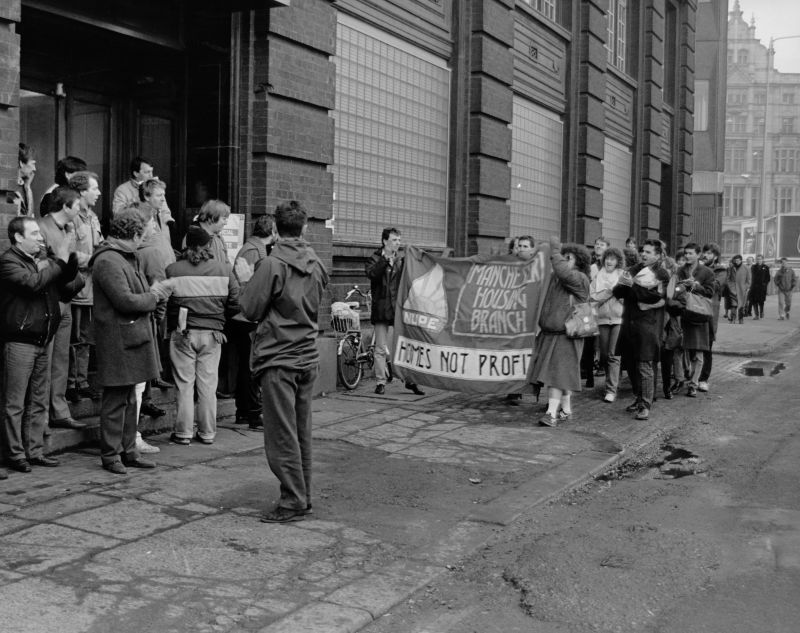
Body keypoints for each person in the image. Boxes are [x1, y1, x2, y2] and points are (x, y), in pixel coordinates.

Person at [238, 200, 329, 523]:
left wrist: (247, 279)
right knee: (301, 432)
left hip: (278, 357)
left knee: (281, 435)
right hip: (307, 354)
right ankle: (302, 496)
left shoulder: (271, 264)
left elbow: (249, 309)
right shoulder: (317, 263)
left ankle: (292, 501)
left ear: (276, 229)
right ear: (304, 228)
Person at [0, 217, 82, 472]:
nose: (40, 237)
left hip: (43, 338)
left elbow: (67, 286)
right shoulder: (8, 262)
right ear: (17, 238)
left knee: (38, 400)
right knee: (14, 403)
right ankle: (14, 454)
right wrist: (59, 261)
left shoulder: (43, 260)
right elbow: (32, 284)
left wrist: (70, 258)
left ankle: (34, 451)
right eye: (34, 233)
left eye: (39, 233)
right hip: (20, 341)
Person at [90, 209, 161, 475]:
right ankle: (111, 455)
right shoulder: (109, 260)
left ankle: (129, 451)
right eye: (141, 235)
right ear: (131, 234)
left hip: (131, 337)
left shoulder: (124, 257)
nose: (143, 240)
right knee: (116, 399)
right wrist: (154, 297)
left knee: (131, 399)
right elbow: (125, 300)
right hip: (118, 340)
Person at [164, 226, 239, 445]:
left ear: (187, 245)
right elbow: (236, 301)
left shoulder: (173, 270)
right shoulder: (224, 269)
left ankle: (183, 433)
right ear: (208, 245)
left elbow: (165, 302)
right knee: (208, 386)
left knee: (184, 385)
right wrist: (222, 322)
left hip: (183, 333)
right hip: (213, 334)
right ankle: (207, 433)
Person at [38, 187, 90, 429]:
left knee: (60, 359)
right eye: (77, 205)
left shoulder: (67, 229)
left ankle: (59, 411)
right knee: (46, 361)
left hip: (66, 298)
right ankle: (42, 416)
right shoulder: (41, 228)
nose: (80, 209)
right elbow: (40, 266)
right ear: (66, 207)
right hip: (50, 301)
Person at [530, 236, 591, 427]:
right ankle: (566, 410)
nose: (563, 261)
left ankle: (551, 414)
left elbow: (564, 273)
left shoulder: (580, 279)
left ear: (578, 262)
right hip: (550, 334)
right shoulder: (556, 279)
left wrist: (555, 250)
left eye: (568, 258)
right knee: (560, 374)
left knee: (556, 375)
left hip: (566, 336)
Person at [613, 240, 669, 421]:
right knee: (630, 364)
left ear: (658, 255)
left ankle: (645, 405)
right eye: (643, 251)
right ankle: (638, 398)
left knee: (645, 366)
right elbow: (617, 292)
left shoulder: (662, 274)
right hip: (628, 324)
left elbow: (656, 297)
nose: (644, 254)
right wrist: (625, 285)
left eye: (648, 252)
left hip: (648, 326)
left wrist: (633, 286)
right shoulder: (632, 269)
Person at [365, 228, 425, 396]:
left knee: (403, 347)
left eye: (399, 240)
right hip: (381, 309)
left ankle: (410, 381)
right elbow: (372, 274)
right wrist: (384, 261)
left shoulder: (401, 261)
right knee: (380, 348)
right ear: (385, 241)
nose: (397, 243)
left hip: (398, 309)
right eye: (394, 240)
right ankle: (380, 382)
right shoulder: (374, 258)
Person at [64, 172, 104, 414]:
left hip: (91, 289)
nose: (98, 192)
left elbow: (98, 244)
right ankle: (71, 384)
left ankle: (83, 381)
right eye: (94, 188)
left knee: (87, 338)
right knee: (75, 337)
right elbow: (69, 254)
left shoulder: (93, 218)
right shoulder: (73, 218)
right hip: (78, 286)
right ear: (81, 192)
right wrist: (95, 261)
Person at [232, 214, 275, 428]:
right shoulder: (252, 250)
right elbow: (246, 286)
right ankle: (252, 414)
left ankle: (244, 411)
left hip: (247, 315)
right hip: (246, 317)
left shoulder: (257, 249)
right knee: (251, 366)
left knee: (248, 366)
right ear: (272, 232)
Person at [675, 243, 716, 397]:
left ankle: (693, 384)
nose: (687, 256)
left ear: (698, 255)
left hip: (699, 314)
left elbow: (710, 292)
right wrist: (681, 287)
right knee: (679, 349)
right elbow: (675, 289)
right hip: (684, 313)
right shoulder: (680, 270)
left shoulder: (707, 272)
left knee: (698, 352)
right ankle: (679, 380)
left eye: (691, 253)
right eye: (686, 253)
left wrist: (696, 286)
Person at [589, 246, 624, 403]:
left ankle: (611, 389)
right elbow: (593, 298)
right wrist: (610, 292)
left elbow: (626, 297)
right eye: (607, 258)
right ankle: (613, 380)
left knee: (613, 355)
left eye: (613, 258)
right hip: (602, 319)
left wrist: (619, 295)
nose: (609, 261)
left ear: (618, 261)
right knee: (604, 355)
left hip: (618, 319)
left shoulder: (622, 275)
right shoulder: (598, 277)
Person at [505, 236, 534, 405]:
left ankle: (521, 388)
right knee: (511, 353)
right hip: (510, 317)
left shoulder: (537, 267)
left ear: (531, 249)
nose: (521, 249)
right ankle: (512, 390)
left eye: (525, 246)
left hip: (529, 319)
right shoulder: (507, 265)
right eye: (519, 246)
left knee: (526, 355)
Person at [697, 242, 727, 393]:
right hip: (695, 309)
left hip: (710, 312)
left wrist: (703, 272)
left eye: (709, 253)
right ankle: (692, 377)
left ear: (715, 255)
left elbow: (714, 286)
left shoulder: (721, 271)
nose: (705, 255)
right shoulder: (699, 268)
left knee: (707, 347)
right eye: (705, 252)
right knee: (693, 346)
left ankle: (703, 379)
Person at [113, 157, 174, 226]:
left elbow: (163, 208)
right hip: (138, 231)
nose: (151, 175)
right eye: (147, 172)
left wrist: (169, 220)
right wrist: (139, 199)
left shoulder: (155, 186)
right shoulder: (122, 190)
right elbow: (117, 215)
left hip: (159, 229)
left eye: (151, 171)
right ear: (136, 173)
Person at [725, 254, 750, 324]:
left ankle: (741, 319)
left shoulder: (746, 268)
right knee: (733, 304)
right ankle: (733, 318)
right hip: (733, 289)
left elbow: (749, 280)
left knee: (741, 305)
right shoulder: (731, 268)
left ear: (741, 260)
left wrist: (746, 287)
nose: (737, 262)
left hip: (742, 290)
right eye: (735, 260)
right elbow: (728, 279)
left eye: (738, 260)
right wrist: (730, 287)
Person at [17, 143, 36, 218]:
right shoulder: (12, 187)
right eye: (33, 164)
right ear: (21, 163)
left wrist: (28, 187)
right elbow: (27, 220)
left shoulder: (23, 185)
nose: (34, 169)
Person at [749, 254, 771, 320]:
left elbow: (768, 277)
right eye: (758, 259)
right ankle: (756, 315)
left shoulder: (766, 267)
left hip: (762, 287)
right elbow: (751, 276)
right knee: (754, 301)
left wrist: (765, 284)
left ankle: (761, 312)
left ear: (762, 259)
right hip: (754, 287)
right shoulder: (753, 267)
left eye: (760, 259)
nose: (759, 260)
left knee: (761, 301)